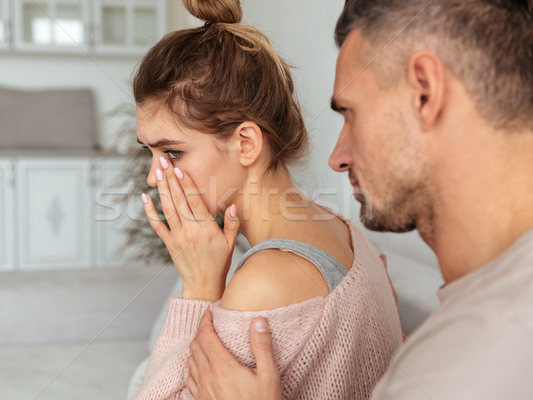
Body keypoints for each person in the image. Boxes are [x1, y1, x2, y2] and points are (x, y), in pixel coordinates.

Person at [185, 0, 533, 399]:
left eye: (351, 114)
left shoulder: (469, 365)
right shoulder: (479, 323)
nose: (338, 158)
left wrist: (198, 287)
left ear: (425, 92)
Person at [131, 0, 403, 398]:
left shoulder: (265, 282)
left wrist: (201, 288)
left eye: (172, 152)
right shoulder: (339, 227)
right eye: (149, 154)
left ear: (245, 143)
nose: (154, 177)